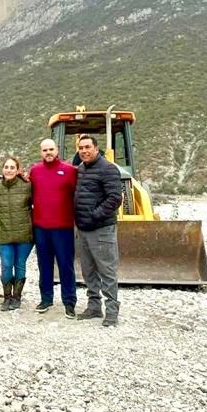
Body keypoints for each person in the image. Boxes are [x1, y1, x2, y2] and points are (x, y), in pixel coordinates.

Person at [72, 135, 123, 327]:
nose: (84, 151)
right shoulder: (82, 169)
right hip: (83, 229)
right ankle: (94, 306)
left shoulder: (108, 169)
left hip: (101, 229)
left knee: (107, 270)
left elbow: (115, 198)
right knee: (88, 270)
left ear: (96, 148)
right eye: (81, 148)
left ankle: (111, 311)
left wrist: (94, 215)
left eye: (87, 147)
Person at [29, 138, 78, 318]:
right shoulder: (34, 171)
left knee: (66, 266)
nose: (48, 153)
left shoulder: (70, 171)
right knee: (44, 265)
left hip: (63, 228)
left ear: (57, 150)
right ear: (40, 152)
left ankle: (69, 301)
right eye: (44, 150)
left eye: (51, 149)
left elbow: (79, 196)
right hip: (41, 228)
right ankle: (46, 299)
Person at [0, 155, 33, 312]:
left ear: (18, 170)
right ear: (2, 169)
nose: (9, 170)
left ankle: (17, 298)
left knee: (20, 265)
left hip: (24, 235)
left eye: (12, 167)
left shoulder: (27, 186)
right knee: (6, 266)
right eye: (6, 167)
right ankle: (7, 297)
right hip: (5, 234)